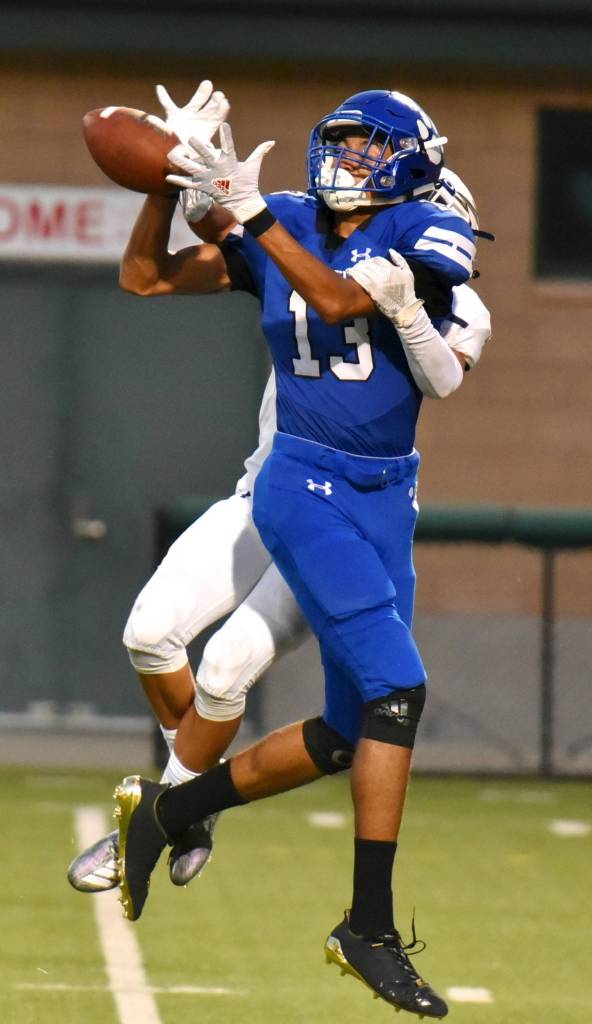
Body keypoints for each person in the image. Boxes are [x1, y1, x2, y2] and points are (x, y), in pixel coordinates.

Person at [89, 86, 487, 1019]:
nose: (344, 161)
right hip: (301, 481)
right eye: (337, 143)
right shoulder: (294, 218)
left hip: (385, 496)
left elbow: (348, 297)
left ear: (409, 161)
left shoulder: (429, 231)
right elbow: (148, 278)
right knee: (395, 690)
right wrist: (176, 183)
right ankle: (368, 928)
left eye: (364, 147)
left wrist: (249, 206)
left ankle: (171, 812)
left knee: (355, 731)